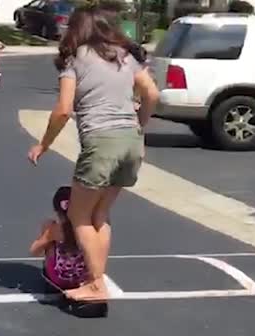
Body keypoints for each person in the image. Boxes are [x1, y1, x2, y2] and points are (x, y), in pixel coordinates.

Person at [27, 6, 159, 302]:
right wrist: (139, 125)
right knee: (100, 214)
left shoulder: (74, 60)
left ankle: (96, 283)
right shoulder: (125, 56)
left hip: (101, 141)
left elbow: (63, 110)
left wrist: (44, 144)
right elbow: (151, 94)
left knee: (79, 215)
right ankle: (93, 278)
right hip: (131, 143)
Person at [30, 186, 88, 290]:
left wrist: (47, 237)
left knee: (48, 230)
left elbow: (34, 251)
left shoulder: (53, 228)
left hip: (57, 279)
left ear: (56, 209)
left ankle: (55, 271)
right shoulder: (86, 228)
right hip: (81, 279)